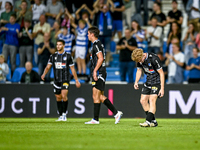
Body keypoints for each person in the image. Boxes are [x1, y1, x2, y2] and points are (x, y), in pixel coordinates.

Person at [85, 26, 123, 124]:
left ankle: (99, 118)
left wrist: (95, 71)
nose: (87, 35)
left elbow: (100, 58)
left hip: (99, 72)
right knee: (98, 96)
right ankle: (114, 113)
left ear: (92, 34)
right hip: (99, 71)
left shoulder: (96, 44)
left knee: (97, 95)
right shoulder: (97, 44)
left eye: (88, 33)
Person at [41, 39, 81, 121]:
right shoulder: (53, 56)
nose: (58, 46)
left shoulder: (68, 56)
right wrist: (44, 74)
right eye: (57, 45)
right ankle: (60, 115)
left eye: (60, 45)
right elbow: (48, 67)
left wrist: (76, 80)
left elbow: (72, 69)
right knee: (58, 97)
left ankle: (64, 114)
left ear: (63, 46)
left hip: (65, 79)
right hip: (56, 80)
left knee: (64, 96)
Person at [131, 48, 164, 127]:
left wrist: (162, 88)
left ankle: (148, 121)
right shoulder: (139, 60)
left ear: (143, 55)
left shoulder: (153, 58)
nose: (139, 62)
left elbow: (161, 73)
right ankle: (153, 121)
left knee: (152, 100)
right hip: (148, 81)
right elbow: (139, 71)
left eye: (139, 60)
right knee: (143, 101)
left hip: (156, 82)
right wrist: (136, 82)